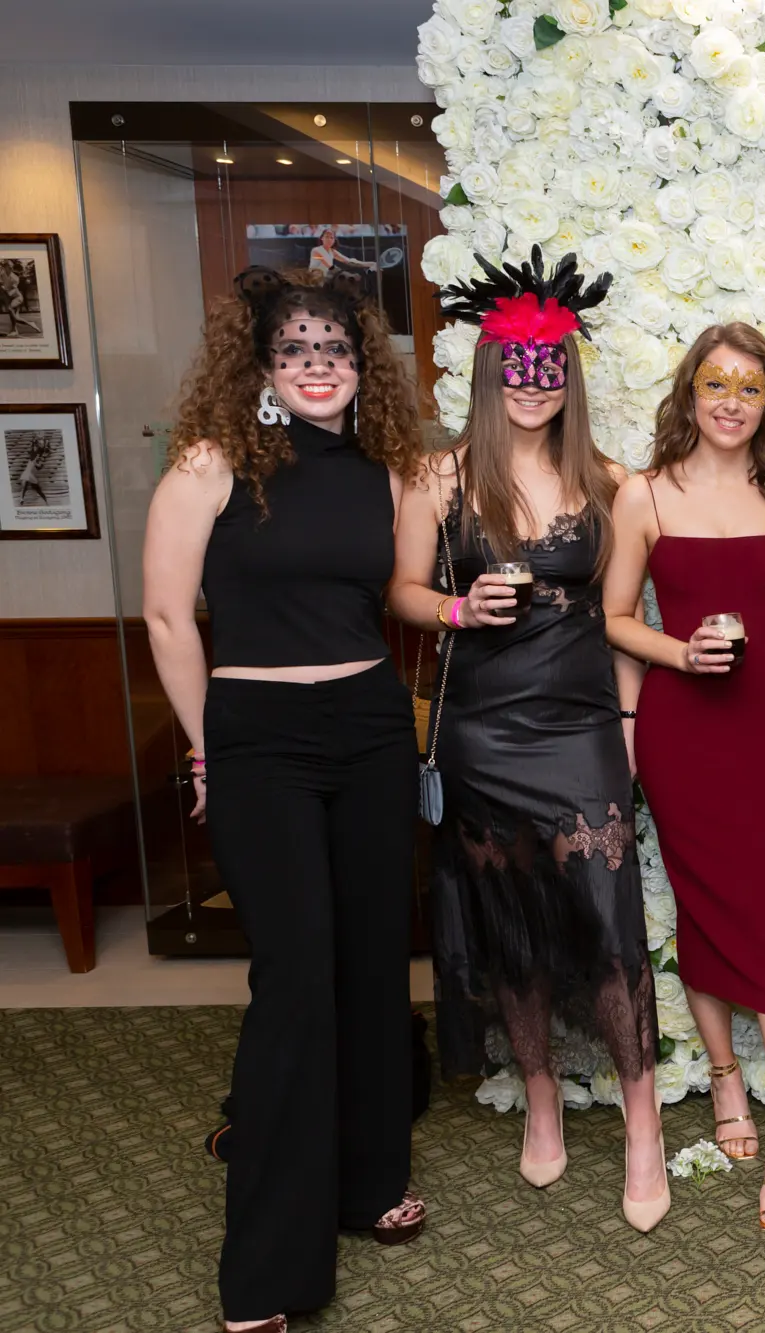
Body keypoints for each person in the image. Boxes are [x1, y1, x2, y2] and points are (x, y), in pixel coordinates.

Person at [141, 266, 426, 1333]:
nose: (319, 366)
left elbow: (394, 598)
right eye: (298, 349)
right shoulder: (210, 466)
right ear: (263, 366)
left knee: (368, 968)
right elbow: (170, 620)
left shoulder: (383, 472)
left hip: (367, 730)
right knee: (296, 983)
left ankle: (365, 1185)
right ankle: (266, 1271)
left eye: (337, 349)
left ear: (363, 367)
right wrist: (210, 752)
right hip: (256, 738)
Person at [388, 248, 670, 1233]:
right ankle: (541, 1094)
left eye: (550, 367)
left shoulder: (611, 484)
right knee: (508, 924)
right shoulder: (439, 475)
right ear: (488, 368)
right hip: (480, 730)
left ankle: (642, 1123)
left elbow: (627, 616)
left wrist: (628, 732)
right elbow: (403, 594)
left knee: (605, 926)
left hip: (580, 724)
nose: (533, 384)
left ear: (571, 373)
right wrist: (458, 608)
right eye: (516, 365)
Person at [604, 322, 765, 1230]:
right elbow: (613, 617)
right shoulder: (642, 494)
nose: (731, 401)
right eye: (715, 384)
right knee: (699, 906)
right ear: (689, 392)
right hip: (681, 728)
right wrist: (678, 655)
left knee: (764, 916)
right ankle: (727, 1080)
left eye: (750, 387)